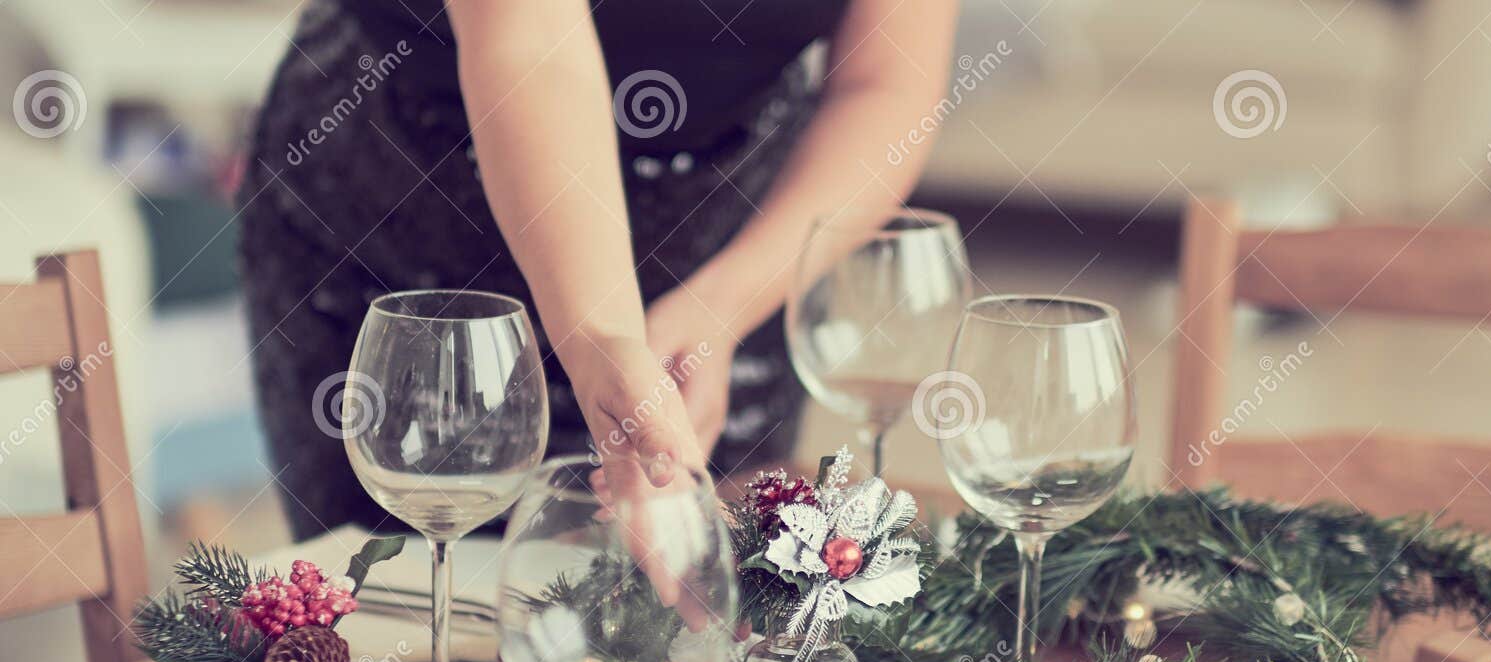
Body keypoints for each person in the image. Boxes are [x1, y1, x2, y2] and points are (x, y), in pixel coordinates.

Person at [239, 0, 959, 538]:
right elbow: (531, 41)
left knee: (684, 637)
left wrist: (722, 307)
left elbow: (886, 79)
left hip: (729, 224)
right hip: (401, 191)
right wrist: (602, 336)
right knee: (404, 645)